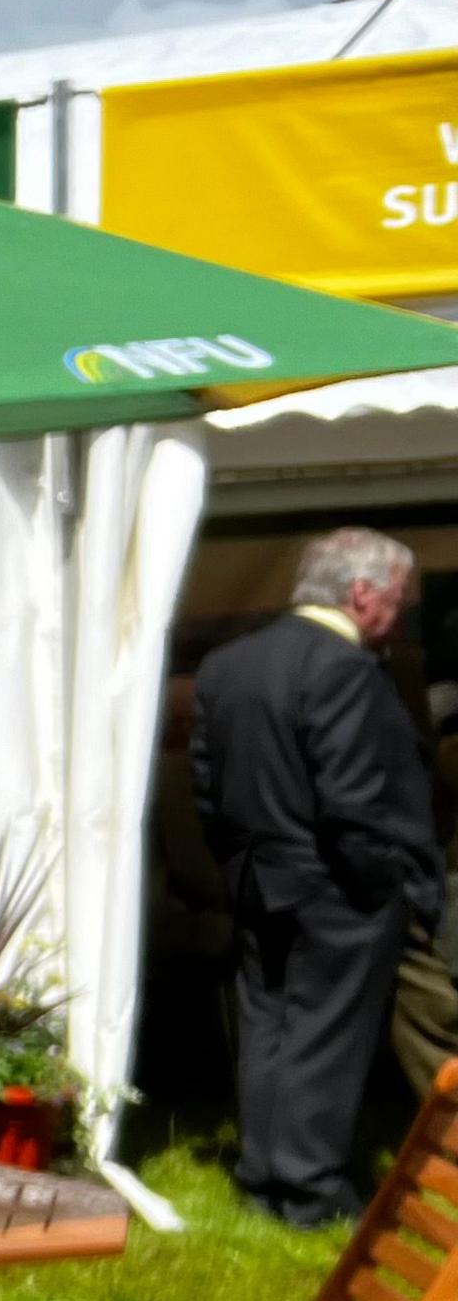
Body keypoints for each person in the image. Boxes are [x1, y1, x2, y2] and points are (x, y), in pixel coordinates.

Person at [193, 526, 442, 1227]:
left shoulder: (227, 665)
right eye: (397, 599)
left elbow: (207, 788)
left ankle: (262, 1177)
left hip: (256, 878)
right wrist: (381, 882)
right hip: (334, 885)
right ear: (361, 594)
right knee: (325, 1037)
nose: (399, 614)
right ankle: (309, 1190)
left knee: (269, 1026)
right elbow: (352, 799)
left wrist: (238, 864)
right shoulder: (345, 669)